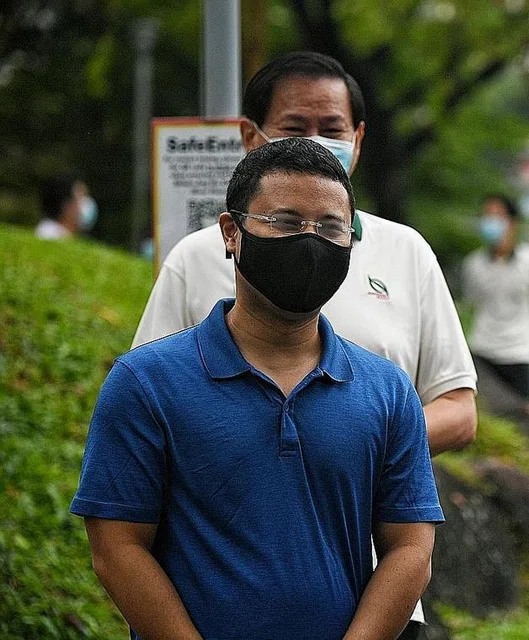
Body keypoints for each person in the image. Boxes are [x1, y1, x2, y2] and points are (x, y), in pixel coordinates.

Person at [131, 51, 473, 637]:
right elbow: (155, 413)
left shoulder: (405, 253)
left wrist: (352, 436)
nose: (316, 141)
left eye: (332, 128)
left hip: (375, 594)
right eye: (295, 127)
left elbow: (458, 409)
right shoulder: (195, 259)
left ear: (358, 139)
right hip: (211, 596)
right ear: (250, 136)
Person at [71, 138, 443, 640]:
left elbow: (410, 548)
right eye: (285, 222)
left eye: (331, 227)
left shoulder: (389, 392)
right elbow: (117, 549)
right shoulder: (146, 383)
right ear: (231, 231)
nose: (310, 241)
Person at [462, 194, 529, 406]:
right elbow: (472, 303)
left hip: (519, 352)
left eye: (497, 215)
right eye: (486, 215)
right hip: (482, 348)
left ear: (513, 223)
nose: (490, 221)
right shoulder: (473, 265)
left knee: (523, 411)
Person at [35, 174, 96, 239]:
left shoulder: (64, 236)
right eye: (81, 198)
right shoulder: (48, 235)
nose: (86, 203)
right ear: (65, 205)